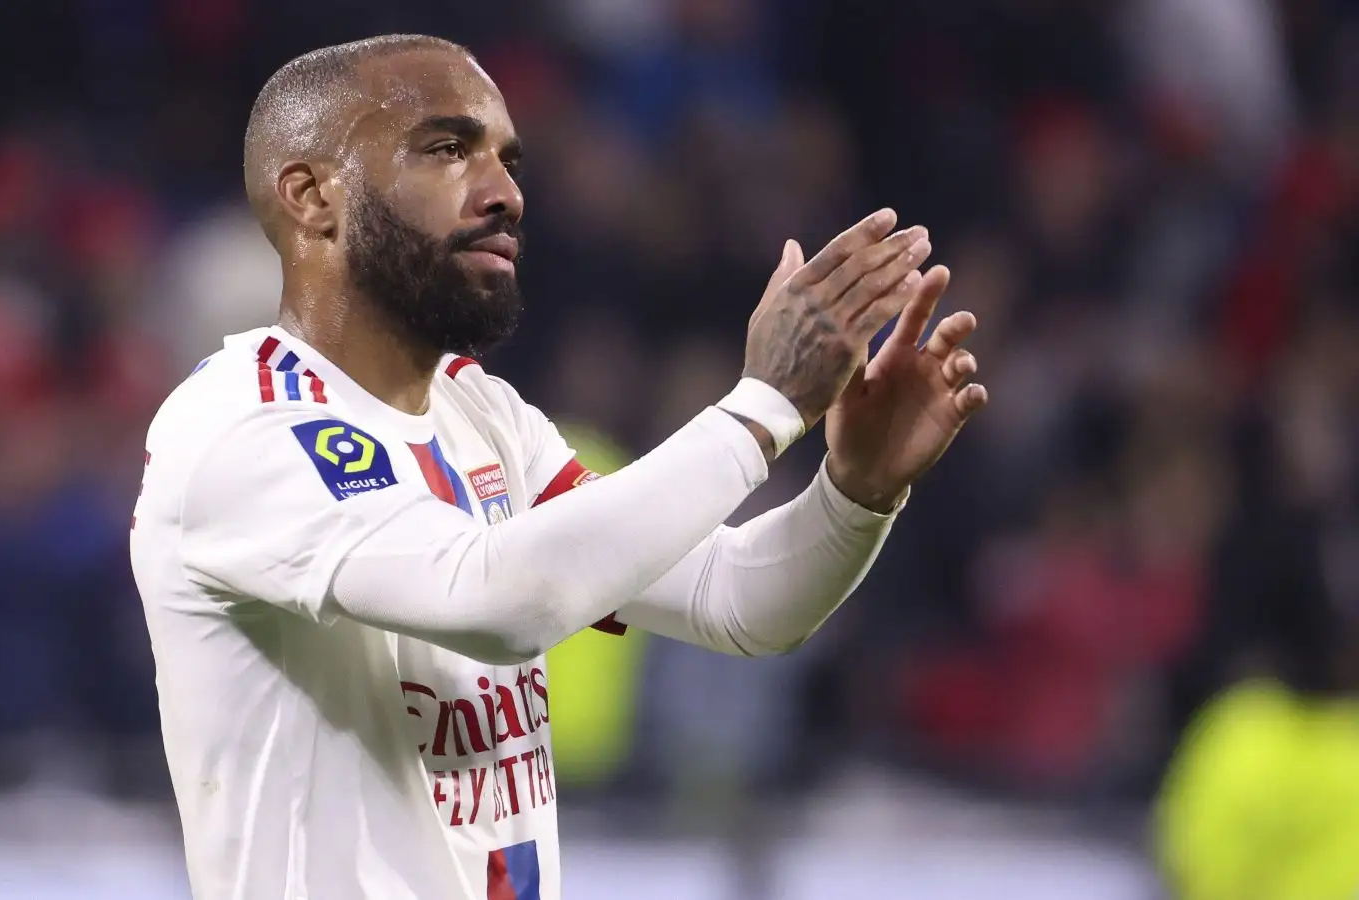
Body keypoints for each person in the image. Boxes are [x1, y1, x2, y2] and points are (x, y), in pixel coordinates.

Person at [129, 33, 988, 900]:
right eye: (446, 149)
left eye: (508, 160)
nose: (503, 192)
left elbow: (740, 602)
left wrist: (856, 493)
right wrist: (764, 406)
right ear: (314, 196)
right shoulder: (240, 425)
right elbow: (499, 604)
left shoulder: (484, 415)